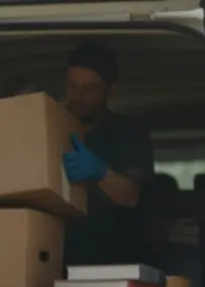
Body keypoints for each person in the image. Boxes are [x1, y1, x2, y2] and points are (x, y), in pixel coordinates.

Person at [59, 41, 155, 266]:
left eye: (89, 88)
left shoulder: (129, 133)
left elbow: (131, 195)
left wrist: (100, 172)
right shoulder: (50, 128)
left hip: (117, 267)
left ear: (110, 90)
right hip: (57, 261)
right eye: (72, 86)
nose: (78, 97)